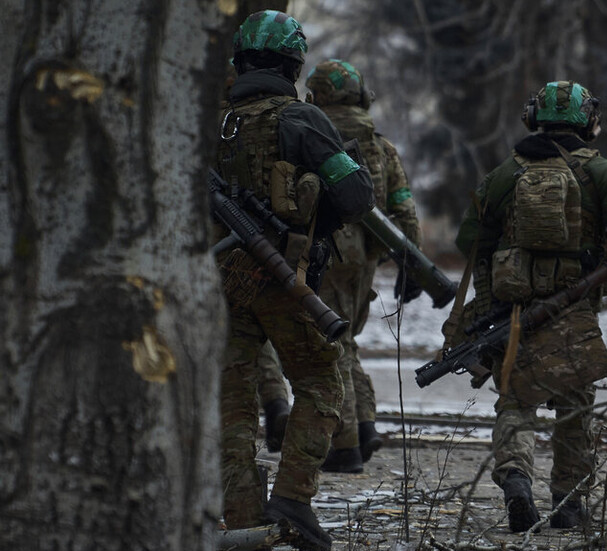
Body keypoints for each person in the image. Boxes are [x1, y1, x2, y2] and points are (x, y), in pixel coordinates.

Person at [452, 81, 607, 532]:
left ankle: (517, 478)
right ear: (588, 122)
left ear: (533, 119)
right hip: (575, 304)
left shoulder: (507, 173)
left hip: (512, 310)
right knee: (576, 402)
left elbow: (468, 240)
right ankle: (569, 501)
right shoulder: (602, 174)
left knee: (515, 400)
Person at [214, 10, 374, 550]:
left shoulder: (212, 124)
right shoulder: (301, 120)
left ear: (239, 61)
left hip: (219, 285)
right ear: (293, 62)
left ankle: (240, 517)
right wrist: (315, 221)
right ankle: (292, 499)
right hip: (283, 280)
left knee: (231, 402)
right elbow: (355, 197)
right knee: (322, 384)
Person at [303, 59, 424, 473]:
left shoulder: (311, 132)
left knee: (331, 345)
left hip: (327, 248)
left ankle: (346, 445)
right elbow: (404, 207)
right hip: (369, 254)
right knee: (346, 339)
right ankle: (367, 424)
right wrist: (413, 263)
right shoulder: (380, 144)